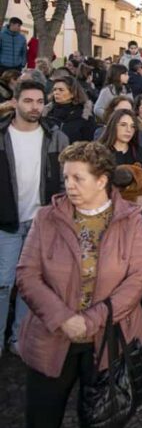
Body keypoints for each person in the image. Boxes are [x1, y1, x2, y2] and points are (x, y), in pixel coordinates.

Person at [16, 141, 142, 428]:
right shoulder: (46, 218)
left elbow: (137, 280)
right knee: (41, 426)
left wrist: (90, 320)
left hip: (109, 339)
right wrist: (63, 318)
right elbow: (27, 274)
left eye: (78, 178)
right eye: (66, 178)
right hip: (52, 336)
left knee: (99, 427)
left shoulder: (130, 220)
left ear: (102, 180)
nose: (69, 186)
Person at [0, 81, 69, 357]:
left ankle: (19, 337)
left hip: (41, 223)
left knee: (31, 285)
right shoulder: (3, 134)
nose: (34, 107)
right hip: (6, 222)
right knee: (4, 284)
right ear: (15, 102)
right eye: (28, 101)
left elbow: (66, 177)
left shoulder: (54, 135)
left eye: (39, 101)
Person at [98, 108, 142, 212]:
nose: (128, 130)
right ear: (113, 126)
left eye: (132, 126)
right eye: (123, 125)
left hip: (138, 214)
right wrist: (133, 199)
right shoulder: (100, 154)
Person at [44, 75, 96, 143]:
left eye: (61, 90)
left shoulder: (84, 116)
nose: (56, 92)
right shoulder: (46, 114)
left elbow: (89, 143)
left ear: (72, 93)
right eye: (54, 89)